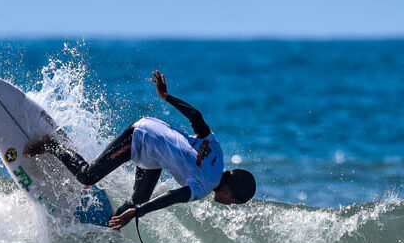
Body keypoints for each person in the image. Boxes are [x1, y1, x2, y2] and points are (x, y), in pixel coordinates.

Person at [25, 70, 256, 230]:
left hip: (153, 153)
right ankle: (52, 145)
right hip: (143, 137)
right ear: (230, 192)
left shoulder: (217, 151)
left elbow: (196, 117)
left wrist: (166, 97)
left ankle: (109, 224)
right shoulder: (204, 186)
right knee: (88, 175)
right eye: (233, 202)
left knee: (138, 200)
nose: (229, 205)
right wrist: (138, 213)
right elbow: (172, 197)